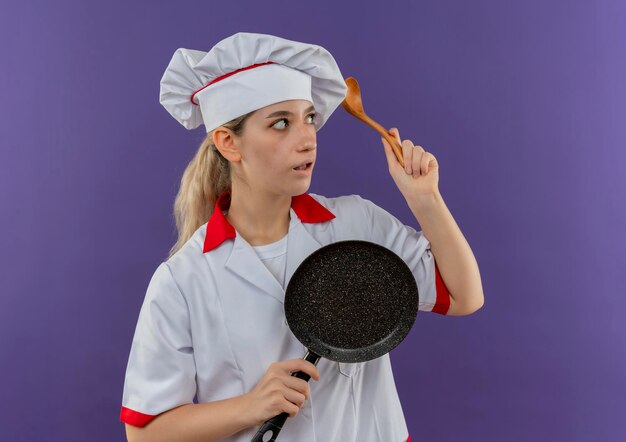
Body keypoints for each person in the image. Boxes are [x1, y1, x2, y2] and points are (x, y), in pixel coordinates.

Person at [120, 32, 484, 442]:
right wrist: (251, 406)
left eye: (309, 118)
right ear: (228, 143)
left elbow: (463, 296)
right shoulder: (183, 280)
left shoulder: (355, 225)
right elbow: (144, 433)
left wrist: (426, 200)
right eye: (281, 123)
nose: (307, 137)